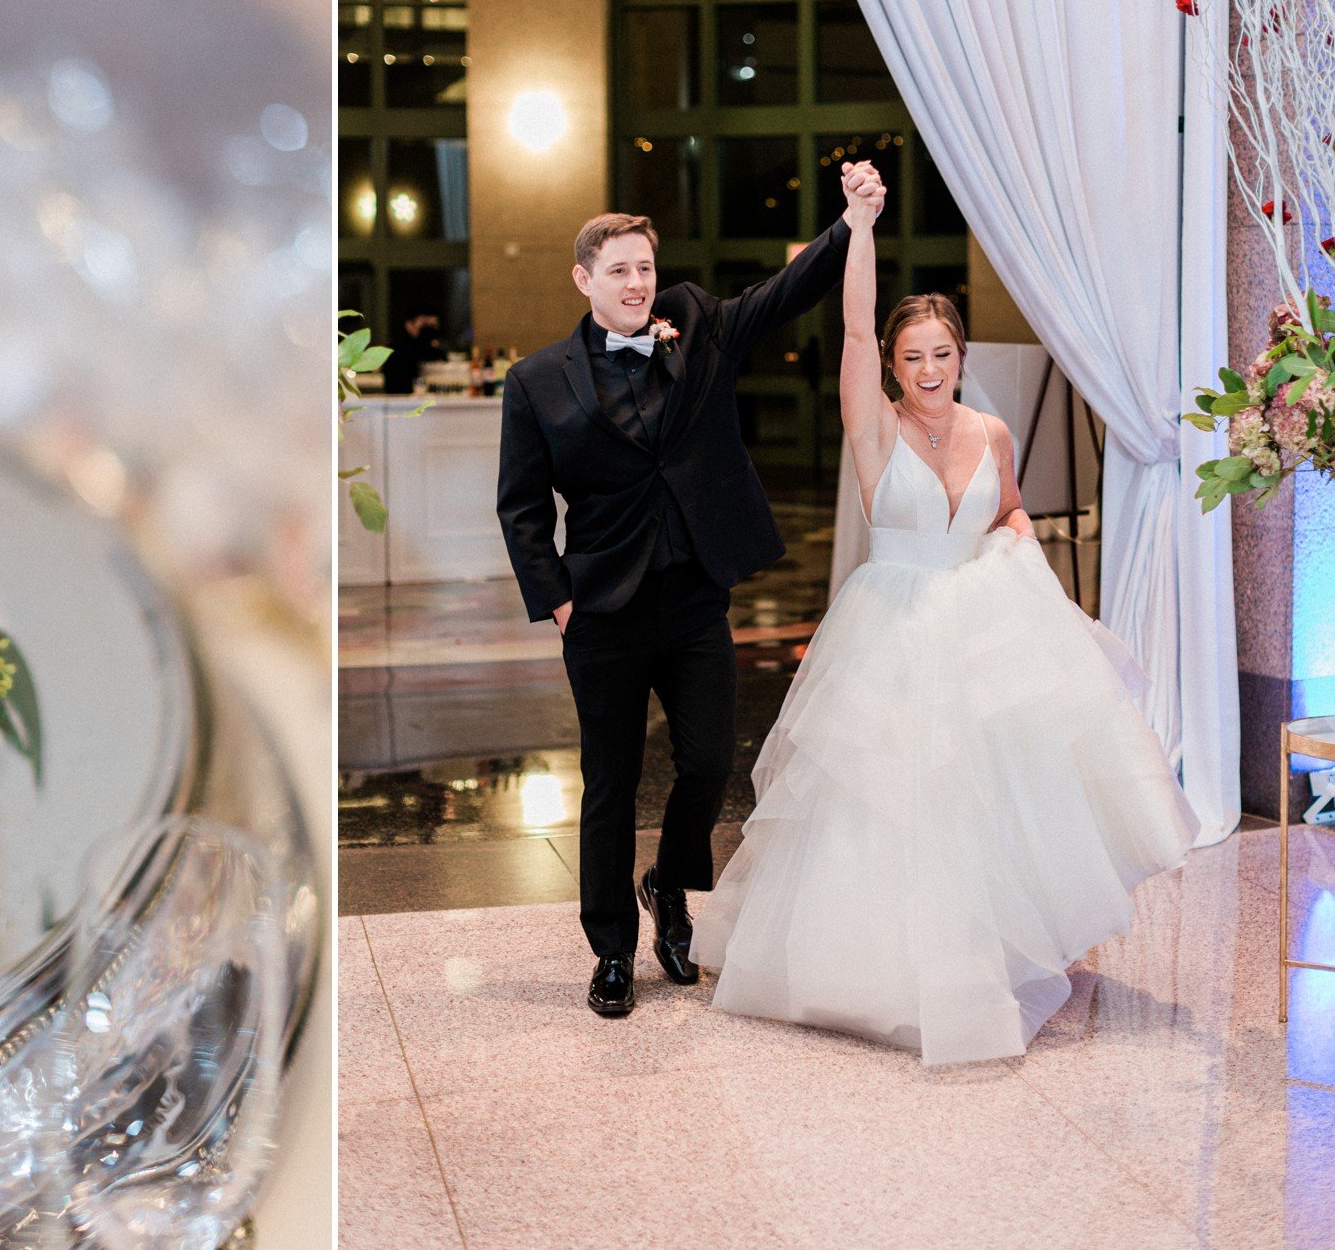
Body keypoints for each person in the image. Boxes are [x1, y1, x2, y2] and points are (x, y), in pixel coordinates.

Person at [690, 162, 1199, 1066]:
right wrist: (860, 225)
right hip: (889, 626)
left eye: (942, 355)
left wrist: (1018, 538)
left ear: (961, 358)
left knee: (992, 797)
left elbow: (1008, 509)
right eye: (911, 357)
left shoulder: (991, 433)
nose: (927, 370)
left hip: (980, 627)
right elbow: (851, 323)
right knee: (887, 798)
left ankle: (993, 946)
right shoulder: (874, 424)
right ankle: (870, 966)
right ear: (891, 365)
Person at [496, 186, 866, 1018]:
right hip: (603, 613)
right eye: (620, 269)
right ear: (583, 278)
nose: (637, 282)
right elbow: (521, 508)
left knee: (707, 762)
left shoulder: (695, 325)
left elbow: (785, 293)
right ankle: (614, 952)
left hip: (695, 596)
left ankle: (669, 883)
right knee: (610, 784)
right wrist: (559, 603)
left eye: (646, 267)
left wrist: (852, 226)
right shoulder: (536, 382)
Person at [379, 307, 444, 395]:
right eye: (425, 325)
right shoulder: (397, 352)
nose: (429, 330)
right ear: (409, 325)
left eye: (433, 326)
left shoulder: (435, 351)